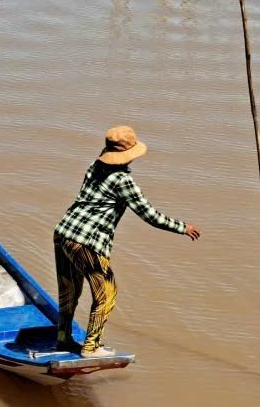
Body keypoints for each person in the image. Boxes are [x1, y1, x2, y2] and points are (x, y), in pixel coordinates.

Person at [52, 125, 201, 358]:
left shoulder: (94, 167)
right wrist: (183, 227)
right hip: (87, 243)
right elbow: (150, 215)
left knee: (69, 291)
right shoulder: (123, 181)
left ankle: (63, 338)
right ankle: (91, 347)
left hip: (64, 233)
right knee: (106, 294)